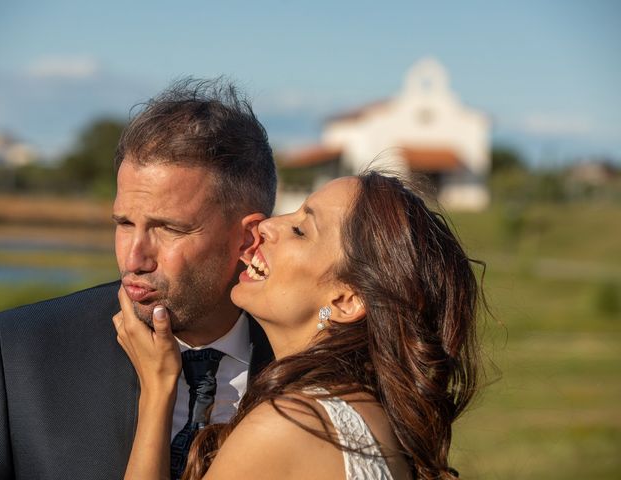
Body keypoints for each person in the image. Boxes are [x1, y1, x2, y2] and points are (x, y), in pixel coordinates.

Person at [0, 78, 276, 480]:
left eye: (168, 228)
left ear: (247, 238)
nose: (133, 258)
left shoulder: (312, 362)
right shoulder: (21, 350)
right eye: (123, 223)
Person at [114, 171, 484, 479]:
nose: (267, 226)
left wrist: (157, 389)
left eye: (301, 230)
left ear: (345, 300)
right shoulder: (363, 411)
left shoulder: (289, 424)